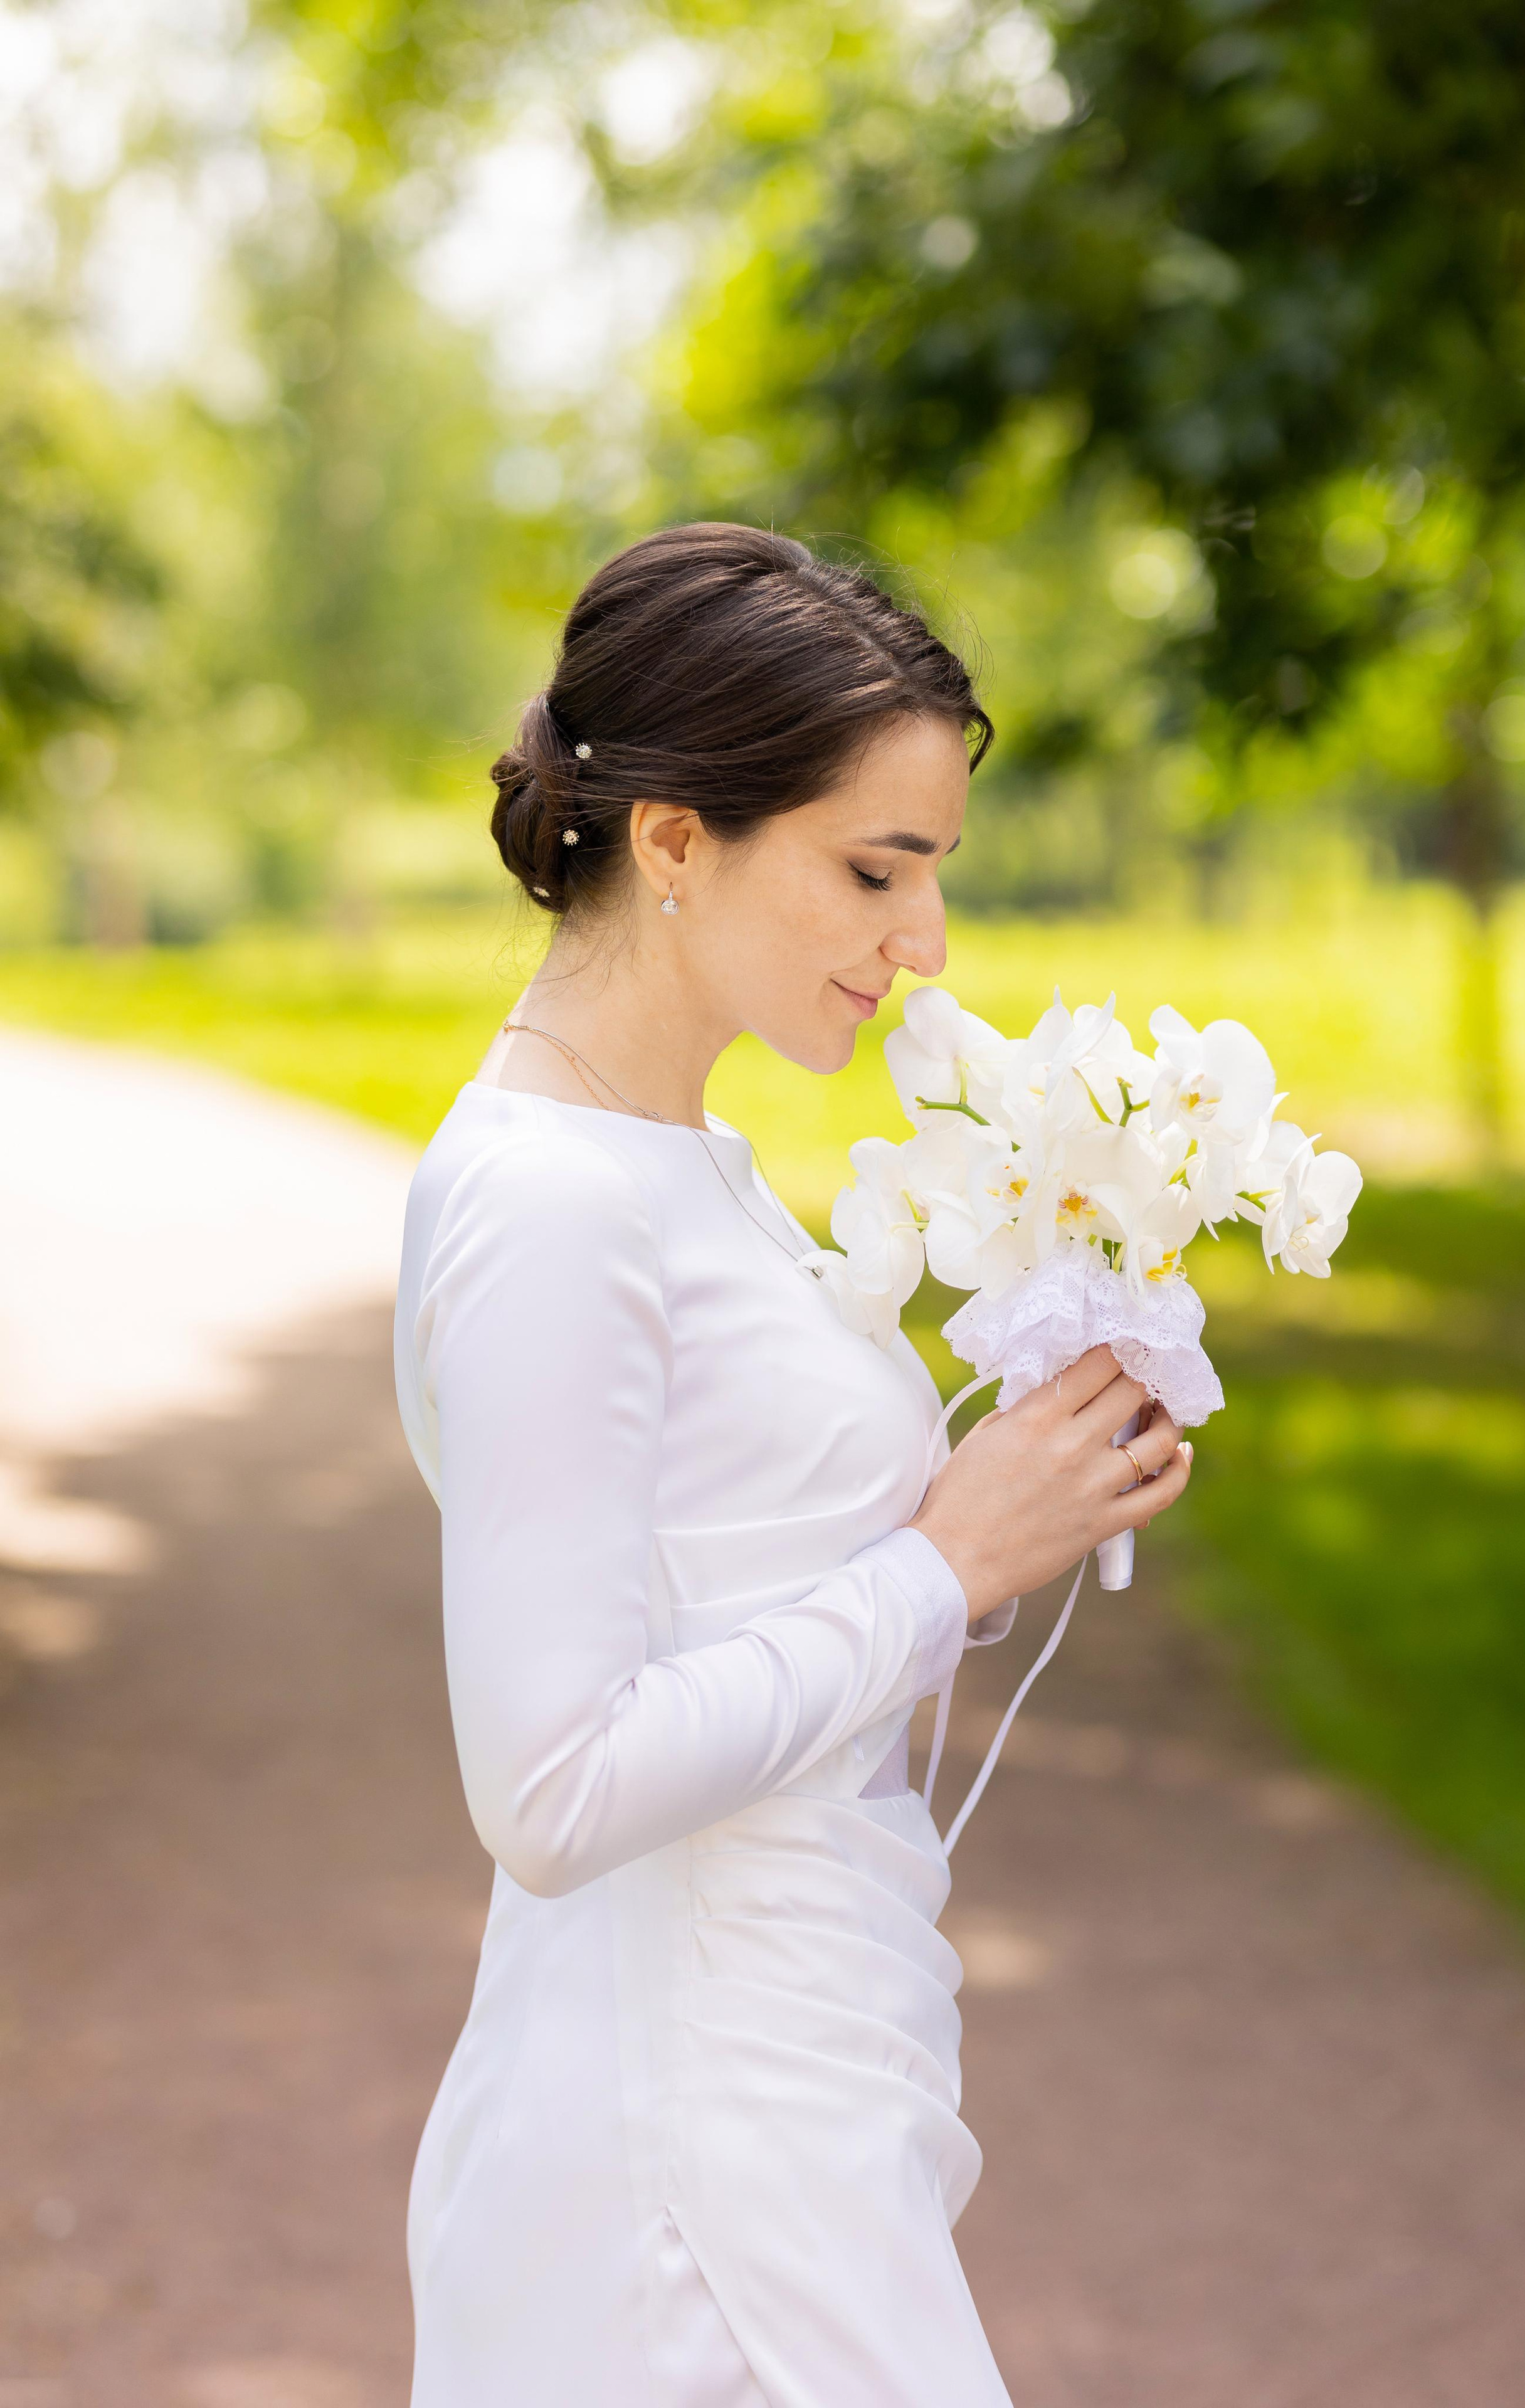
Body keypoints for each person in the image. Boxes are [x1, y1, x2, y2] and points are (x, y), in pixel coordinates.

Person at [393, 523, 1192, 2405]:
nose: (925, 945)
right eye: (871, 870)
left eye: (934, 875)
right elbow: (554, 1783)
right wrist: (948, 1564)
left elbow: (747, 1563)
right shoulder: (552, 1206)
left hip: (798, 2077)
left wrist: (1043, 1460)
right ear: (674, 838)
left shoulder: (690, 1162)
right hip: (683, 2158)